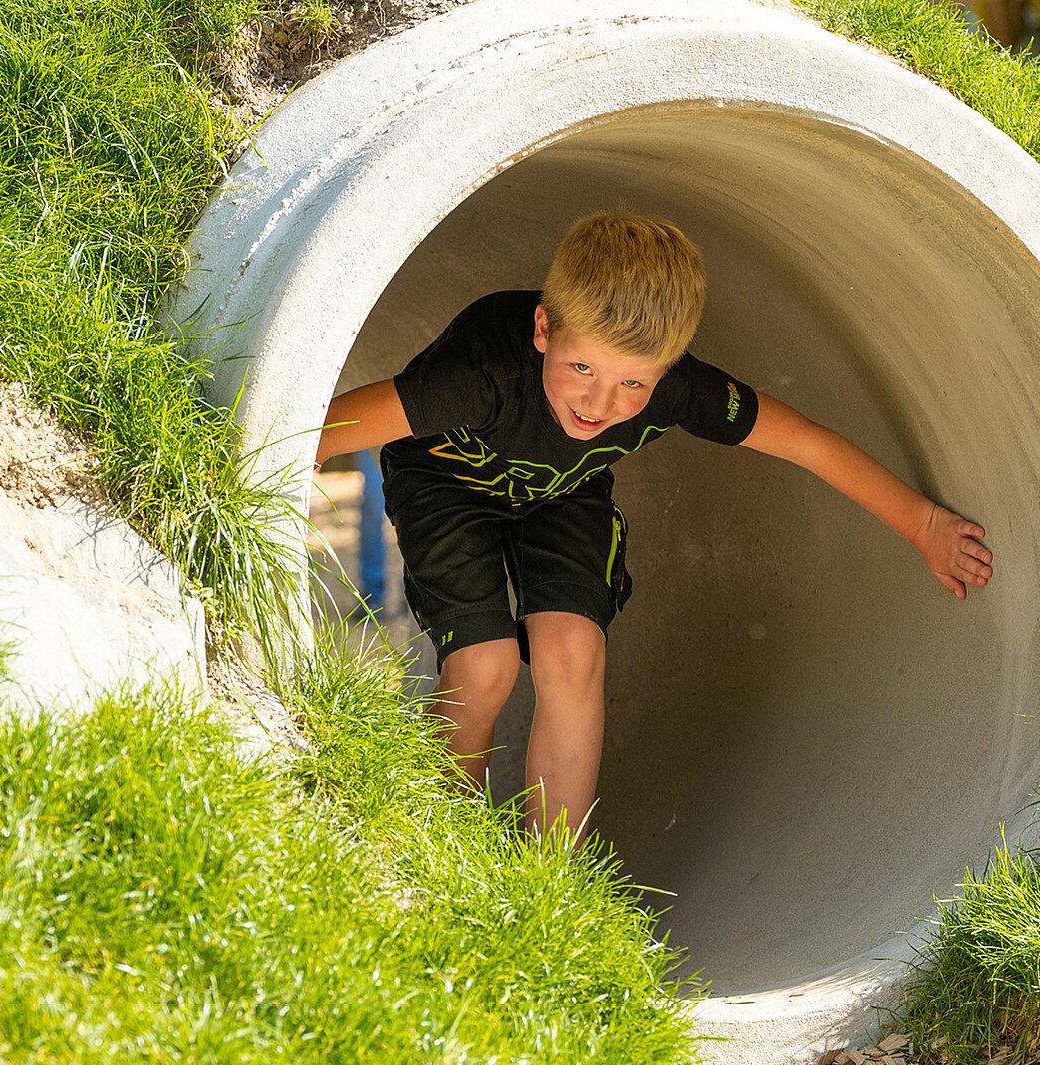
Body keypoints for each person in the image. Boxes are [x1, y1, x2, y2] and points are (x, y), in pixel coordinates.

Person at [314, 212, 992, 846]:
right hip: (448, 484)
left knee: (573, 653)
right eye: (582, 368)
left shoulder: (679, 388)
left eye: (633, 385)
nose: (600, 403)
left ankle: (548, 879)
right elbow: (316, 428)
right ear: (543, 330)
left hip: (565, 493)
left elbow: (804, 443)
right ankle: (435, 853)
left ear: (667, 370)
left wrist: (924, 524)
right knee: (484, 667)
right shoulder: (480, 375)